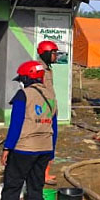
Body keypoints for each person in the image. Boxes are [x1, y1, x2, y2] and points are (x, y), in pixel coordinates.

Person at [0, 61, 57, 200]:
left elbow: (16, 124)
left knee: (12, 186)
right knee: (36, 186)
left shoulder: (23, 95)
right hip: (45, 147)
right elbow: (55, 126)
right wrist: (51, 152)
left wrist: (7, 148)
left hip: (24, 148)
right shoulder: (51, 96)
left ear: (26, 78)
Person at [36, 40, 60, 184]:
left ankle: (46, 173)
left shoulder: (47, 69)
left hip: (51, 112)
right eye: (53, 53)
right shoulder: (39, 70)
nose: (55, 56)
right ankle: (42, 174)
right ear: (45, 54)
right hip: (45, 113)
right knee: (45, 142)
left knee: (52, 141)